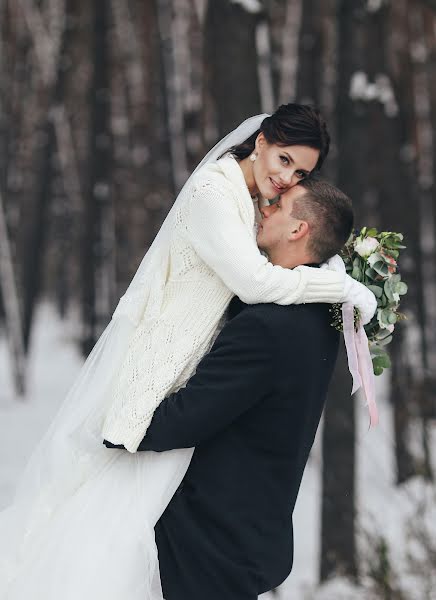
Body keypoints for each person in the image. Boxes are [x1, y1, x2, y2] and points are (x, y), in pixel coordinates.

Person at [0, 106, 376, 599]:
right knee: (102, 523)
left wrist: (330, 267)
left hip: (191, 376)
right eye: (283, 160)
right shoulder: (213, 191)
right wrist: (339, 287)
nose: (285, 180)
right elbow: (254, 282)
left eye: (300, 173)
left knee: (126, 526)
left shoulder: (251, 200)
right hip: (162, 366)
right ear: (260, 141)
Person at [105, 177, 353, 599]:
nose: (265, 209)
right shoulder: (319, 315)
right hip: (253, 529)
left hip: (212, 539)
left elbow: (186, 419)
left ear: (298, 230)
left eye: (279, 206)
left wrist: (120, 425)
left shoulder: (269, 326)